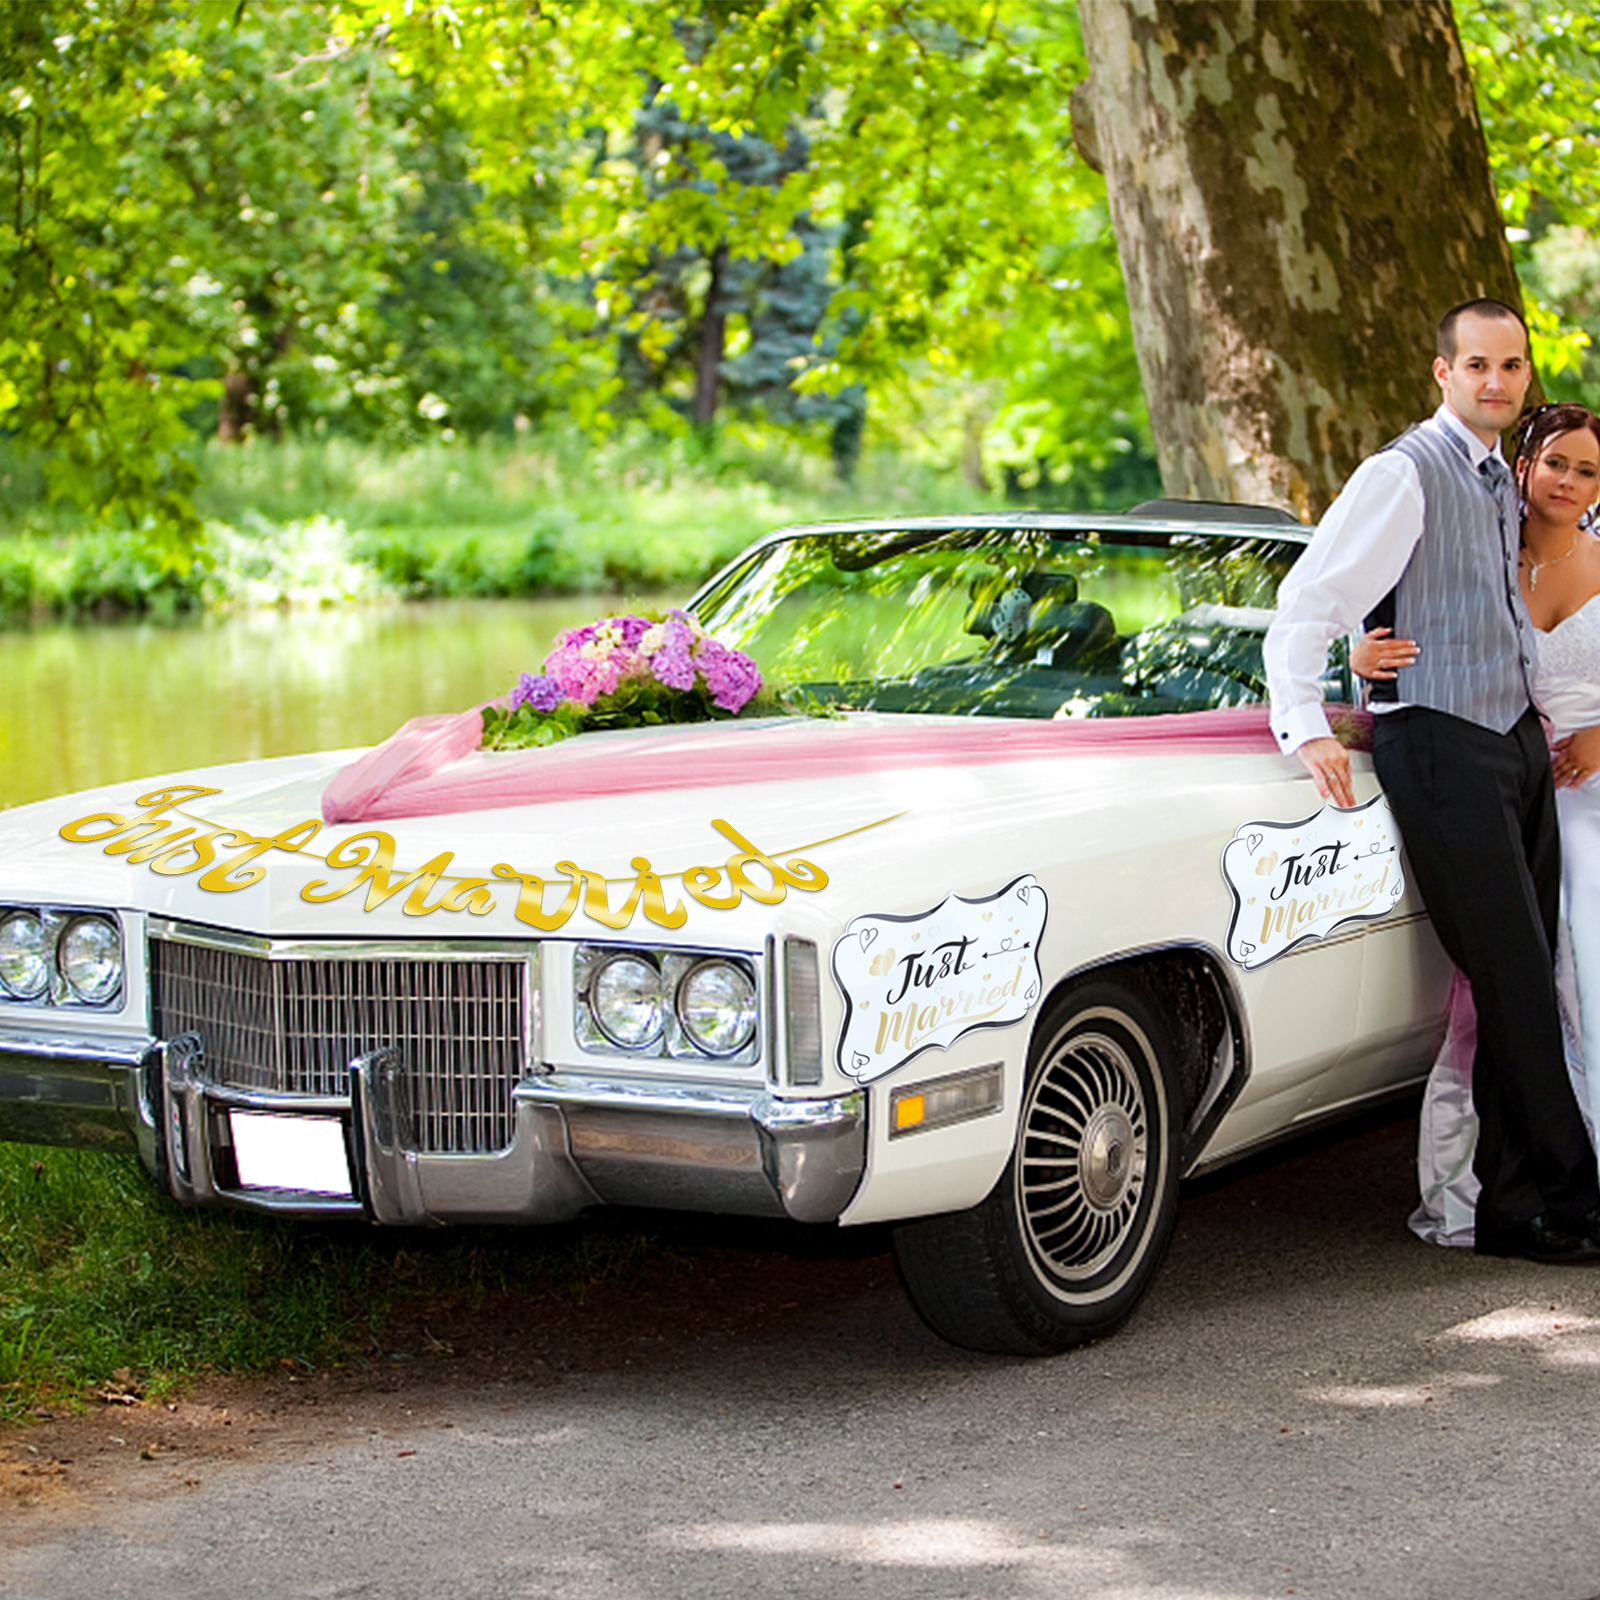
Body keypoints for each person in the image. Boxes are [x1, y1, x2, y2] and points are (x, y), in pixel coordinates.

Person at [1264, 298, 1600, 1264]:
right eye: (1477, 365)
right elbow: (1311, 596)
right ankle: (1573, 1197)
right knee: (1514, 978)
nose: (1497, 381)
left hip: (1518, 744)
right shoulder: (1403, 471)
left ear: (1525, 376)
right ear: (1443, 372)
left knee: (1523, 979)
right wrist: (1306, 722)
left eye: (1512, 366)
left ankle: (1512, 1206)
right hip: (1442, 745)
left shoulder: (1502, 476)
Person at [1353, 402, 1600, 1245]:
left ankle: (1548, 1186)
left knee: (1559, 959)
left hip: (1573, 782)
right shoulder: (1474, 540)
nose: (1568, 482)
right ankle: (1541, 1187)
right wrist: (1358, 654)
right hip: (1497, 774)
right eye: (1557, 463)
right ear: (1523, 466)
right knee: (1522, 976)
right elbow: (1381, 614)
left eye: (1587, 472)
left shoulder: (1587, 553)